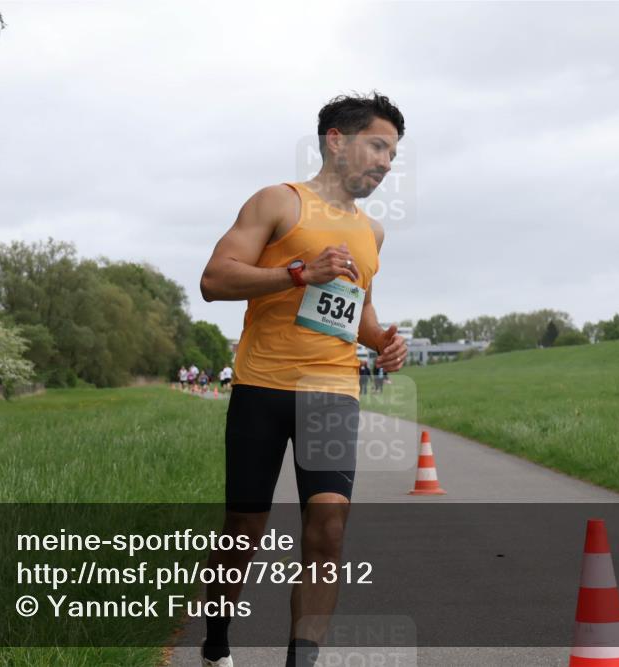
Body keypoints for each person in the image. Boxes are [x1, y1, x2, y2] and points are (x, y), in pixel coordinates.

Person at [198, 91, 407, 667]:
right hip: (262, 386)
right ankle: (216, 645)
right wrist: (297, 272)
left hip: (332, 392)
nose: (387, 163)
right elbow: (215, 279)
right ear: (336, 140)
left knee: (328, 525)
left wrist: (384, 341)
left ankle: (302, 661)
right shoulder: (278, 203)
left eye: (393, 153)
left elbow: (358, 314)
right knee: (243, 530)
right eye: (378, 146)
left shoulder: (372, 234)